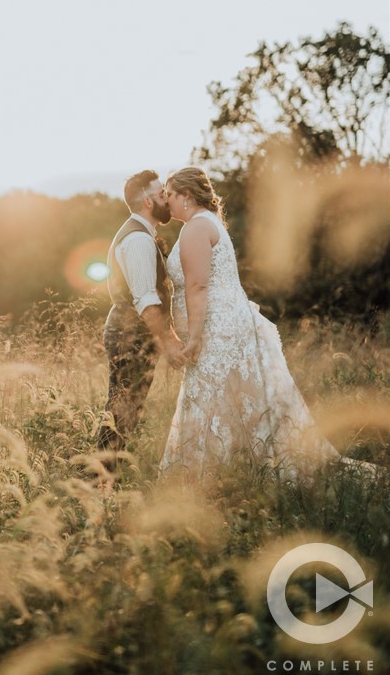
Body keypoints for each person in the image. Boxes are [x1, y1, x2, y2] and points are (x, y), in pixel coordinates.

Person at [158, 166, 372, 480]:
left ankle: (206, 476)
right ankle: (241, 470)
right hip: (230, 323)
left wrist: (194, 336)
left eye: (170, 194)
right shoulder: (207, 222)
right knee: (238, 397)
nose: (167, 201)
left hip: (216, 329)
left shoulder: (195, 228)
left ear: (187, 196)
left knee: (209, 397)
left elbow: (198, 286)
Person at [99, 170, 186, 457]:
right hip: (130, 336)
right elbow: (146, 301)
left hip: (131, 333)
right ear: (148, 201)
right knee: (121, 413)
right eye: (162, 194)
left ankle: (100, 481)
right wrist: (170, 341)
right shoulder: (137, 240)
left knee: (123, 412)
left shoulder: (139, 234)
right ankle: (97, 482)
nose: (166, 199)